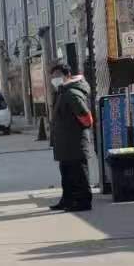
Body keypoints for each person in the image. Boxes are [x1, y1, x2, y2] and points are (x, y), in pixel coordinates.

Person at [48, 63, 94, 212]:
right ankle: (67, 200)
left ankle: (83, 202)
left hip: (74, 143)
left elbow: (87, 119)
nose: (54, 79)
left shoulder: (72, 93)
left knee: (79, 174)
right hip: (65, 143)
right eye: (53, 76)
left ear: (67, 75)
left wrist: (72, 130)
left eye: (57, 75)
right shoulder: (62, 92)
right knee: (67, 175)